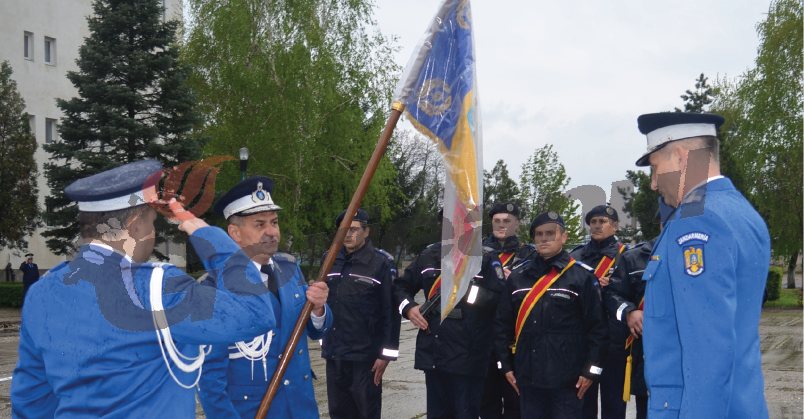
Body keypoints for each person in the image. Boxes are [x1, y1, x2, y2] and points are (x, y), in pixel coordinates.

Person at [11, 160, 277, 418]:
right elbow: (255, 312)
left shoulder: (42, 292)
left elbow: (32, 401)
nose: (152, 234)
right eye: (151, 223)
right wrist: (205, 234)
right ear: (135, 225)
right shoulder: (155, 288)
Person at [635, 112, 770, 418]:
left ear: (681, 158)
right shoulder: (743, 212)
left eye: (656, 169)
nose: (655, 184)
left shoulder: (695, 218)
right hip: (741, 405)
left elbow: (708, 351)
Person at [197, 176, 333, 419]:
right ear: (234, 233)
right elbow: (208, 378)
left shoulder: (290, 269)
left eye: (274, 222)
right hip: (253, 411)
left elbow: (315, 331)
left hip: (301, 407)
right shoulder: (214, 289)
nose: (271, 232)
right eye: (260, 225)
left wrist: (318, 309)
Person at [494, 211, 609, 419]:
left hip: (568, 380)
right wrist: (504, 366)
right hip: (528, 379)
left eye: (550, 233)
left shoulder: (582, 277)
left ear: (563, 237)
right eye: (539, 234)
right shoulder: (518, 277)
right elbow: (502, 325)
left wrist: (591, 371)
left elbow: (598, 329)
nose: (544, 239)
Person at [394, 209, 506, 419]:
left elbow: (501, 300)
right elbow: (400, 287)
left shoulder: (485, 257)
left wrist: (467, 292)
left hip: (469, 356)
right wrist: (409, 308)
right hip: (434, 352)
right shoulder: (429, 255)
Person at [321, 208, 401, 419]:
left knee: (366, 412)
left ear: (366, 232)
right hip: (335, 353)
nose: (348, 234)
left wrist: (386, 354)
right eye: (344, 230)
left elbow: (390, 311)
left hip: (365, 357)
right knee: (338, 412)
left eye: (354, 229)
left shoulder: (381, 263)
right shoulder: (329, 260)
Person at [569, 205, 629, 419]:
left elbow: (633, 294)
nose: (596, 226)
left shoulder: (626, 256)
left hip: (615, 338)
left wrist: (613, 285)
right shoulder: (575, 256)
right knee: (583, 402)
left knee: (614, 404)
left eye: (601, 222)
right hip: (584, 339)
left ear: (615, 226)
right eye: (593, 222)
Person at [604, 210, 663, 419]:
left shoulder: (696, 255)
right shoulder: (634, 257)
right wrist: (628, 312)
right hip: (647, 351)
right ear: (661, 224)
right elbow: (611, 295)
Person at [480, 202, 533, 419]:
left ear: (517, 223)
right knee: (486, 403)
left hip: (515, 339)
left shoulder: (530, 254)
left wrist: (517, 280)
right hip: (483, 336)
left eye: (507, 221)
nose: (501, 225)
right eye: (497, 221)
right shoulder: (477, 253)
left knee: (516, 404)